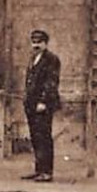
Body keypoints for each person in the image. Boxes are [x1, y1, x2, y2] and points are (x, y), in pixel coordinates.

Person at [23, 28, 62, 182]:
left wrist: (43, 101)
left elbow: (51, 83)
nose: (36, 45)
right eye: (34, 42)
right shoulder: (33, 58)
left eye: (39, 42)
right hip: (31, 104)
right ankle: (39, 170)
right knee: (35, 137)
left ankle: (47, 172)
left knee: (44, 137)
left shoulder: (52, 59)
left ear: (46, 43)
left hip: (42, 105)